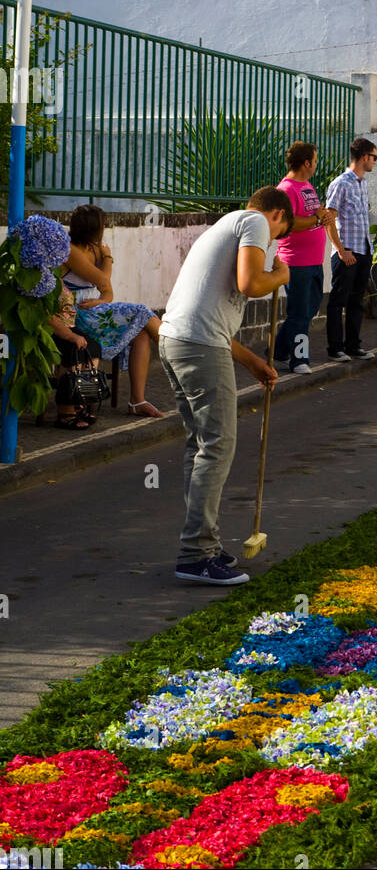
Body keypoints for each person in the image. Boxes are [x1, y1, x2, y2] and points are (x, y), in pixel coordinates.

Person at [159, 186, 293, 585]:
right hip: (197, 346)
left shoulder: (226, 226)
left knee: (200, 447)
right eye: (279, 235)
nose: (274, 243)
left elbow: (215, 315)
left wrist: (253, 362)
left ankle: (204, 545)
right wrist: (280, 274)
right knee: (217, 446)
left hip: (179, 340)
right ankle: (195, 554)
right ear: (276, 215)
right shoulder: (254, 221)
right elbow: (251, 283)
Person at [64, 204, 164, 418]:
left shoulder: (94, 249)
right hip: (74, 312)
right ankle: (177, 354)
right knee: (142, 311)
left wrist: (101, 302)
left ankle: (137, 401)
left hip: (95, 310)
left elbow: (108, 292)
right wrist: (108, 258)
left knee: (142, 333)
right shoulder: (70, 250)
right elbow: (103, 279)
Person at [273, 141, 336, 375]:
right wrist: (318, 220)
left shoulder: (307, 186)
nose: (316, 165)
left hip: (313, 260)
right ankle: (299, 359)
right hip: (296, 261)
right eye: (315, 161)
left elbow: (311, 213)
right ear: (306, 162)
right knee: (299, 313)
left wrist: (321, 213)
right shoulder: (286, 189)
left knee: (306, 311)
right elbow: (287, 223)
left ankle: (279, 352)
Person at [324, 138, 377, 361]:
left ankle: (353, 345)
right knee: (338, 301)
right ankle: (335, 348)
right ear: (365, 156)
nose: (375, 162)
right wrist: (340, 249)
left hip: (363, 249)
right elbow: (329, 218)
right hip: (347, 251)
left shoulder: (362, 183)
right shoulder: (341, 183)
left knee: (357, 301)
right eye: (374, 157)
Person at [48, 283, 104, 429]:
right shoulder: (40, 278)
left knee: (93, 348)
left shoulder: (54, 275)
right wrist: (71, 336)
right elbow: (45, 315)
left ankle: (80, 402)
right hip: (50, 330)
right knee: (74, 350)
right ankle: (66, 411)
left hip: (68, 327)